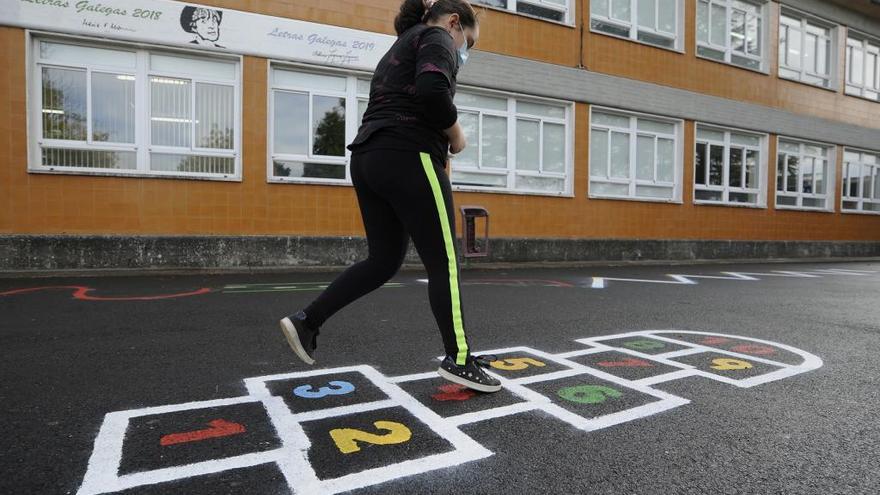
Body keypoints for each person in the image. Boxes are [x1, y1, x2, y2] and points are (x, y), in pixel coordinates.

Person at [279, 0, 501, 393]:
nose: (466, 51)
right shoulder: (436, 36)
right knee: (444, 261)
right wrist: (457, 135)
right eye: (469, 41)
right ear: (454, 23)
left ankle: (307, 321)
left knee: (383, 260)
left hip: (368, 158)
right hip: (408, 155)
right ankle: (460, 359)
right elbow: (433, 92)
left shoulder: (400, 44)